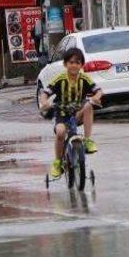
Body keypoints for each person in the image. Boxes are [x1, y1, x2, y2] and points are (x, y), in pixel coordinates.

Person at [39, 47, 103, 178]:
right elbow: (45, 92)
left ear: (81, 65)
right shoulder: (60, 79)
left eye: (77, 62)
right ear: (65, 64)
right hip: (62, 115)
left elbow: (98, 90)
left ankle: (87, 140)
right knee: (61, 133)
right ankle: (57, 162)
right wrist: (44, 102)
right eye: (71, 62)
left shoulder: (84, 79)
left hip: (77, 114)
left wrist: (96, 97)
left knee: (88, 106)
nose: (74, 65)